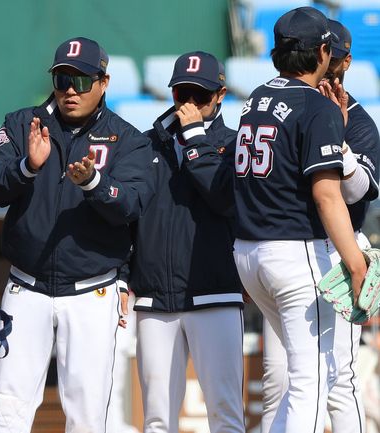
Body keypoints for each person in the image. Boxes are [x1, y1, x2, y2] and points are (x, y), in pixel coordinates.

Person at [0, 36, 153, 433]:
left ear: (104, 82)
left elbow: (132, 205)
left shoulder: (128, 138)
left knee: (89, 415)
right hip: (26, 287)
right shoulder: (22, 123)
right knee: (9, 407)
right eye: (62, 79)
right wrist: (26, 166)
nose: (70, 90)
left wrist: (94, 183)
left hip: (92, 292)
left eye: (82, 80)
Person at [232, 7, 369, 433]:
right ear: (324, 52)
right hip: (295, 255)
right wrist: (356, 261)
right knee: (312, 383)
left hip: (249, 255)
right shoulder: (317, 106)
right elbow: (328, 197)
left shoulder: (254, 98)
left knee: (303, 377)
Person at [129, 51, 245, 433]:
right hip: (154, 299)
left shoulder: (236, 143)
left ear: (220, 95)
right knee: (157, 419)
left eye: (201, 95)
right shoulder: (147, 146)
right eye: (183, 94)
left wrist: (195, 138)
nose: (191, 104)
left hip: (215, 293)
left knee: (225, 413)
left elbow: (225, 198)